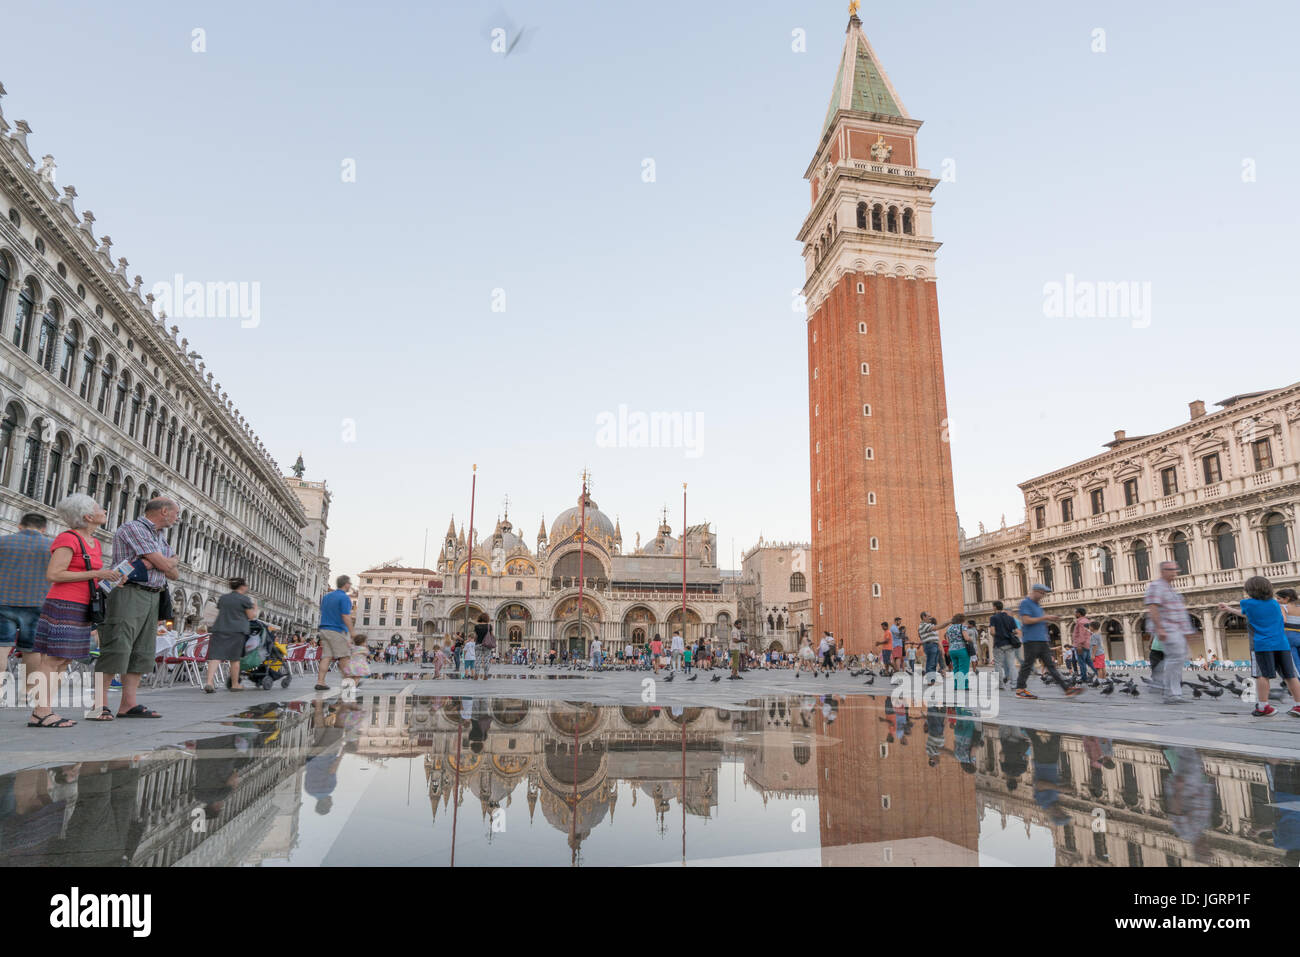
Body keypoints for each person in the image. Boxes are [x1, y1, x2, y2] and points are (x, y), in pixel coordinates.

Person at [26, 497, 122, 728]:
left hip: (82, 605)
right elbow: (54, 574)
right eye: (99, 507)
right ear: (88, 516)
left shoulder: (94, 542)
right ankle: (41, 712)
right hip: (63, 603)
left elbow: (91, 577)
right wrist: (96, 574)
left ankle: (44, 710)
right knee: (53, 659)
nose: (104, 509)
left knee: (63, 660)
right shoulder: (68, 538)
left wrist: (112, 579)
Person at [94, 497, 180, 720]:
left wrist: (161, 563)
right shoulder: (134, 528)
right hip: (128, 592)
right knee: (117, 646)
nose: (177, 518)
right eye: (175, 513)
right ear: (163, 511)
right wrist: (163, 562)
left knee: (142, 652)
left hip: (153, 595)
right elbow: (164, 564)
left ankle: (127, 705)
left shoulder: (160, 538)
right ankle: (98, 704)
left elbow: (174, 572)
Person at [1219, 578, 1300, 718]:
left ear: (1249, 590)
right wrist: (1229, 609)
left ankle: (1264, 707)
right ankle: (1298, 705)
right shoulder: (1275, 604)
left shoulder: (1246, 603)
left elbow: (1246, 612)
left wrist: (1227, 608)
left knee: (1262, 675)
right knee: (1290, 675)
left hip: (1261, 645)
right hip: (1282, 644)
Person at [0, 512, 54, 675]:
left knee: (2, 646)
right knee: (31, 650)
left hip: (4, 600)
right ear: (44, 529)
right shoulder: (52, 547)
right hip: (37, 603)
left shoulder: (3, 542)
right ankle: (27, 693)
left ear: (20, 526)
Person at [1014, 584, 1082, 699]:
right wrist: (1045, 618)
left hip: (1042, 640)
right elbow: (1026, 620)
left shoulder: (1037, 606)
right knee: (1027, 665)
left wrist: (1048, 619)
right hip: (1031, 640)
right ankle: (1020, 689)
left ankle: (1066, 689)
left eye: (1044, 593)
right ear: (1035, 591)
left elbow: (1038, 621)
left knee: (1051, 666)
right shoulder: (1025, 603)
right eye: (1041, 593)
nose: (1042, 596)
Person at [1145, 561, 1192, 704]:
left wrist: (1186, 631)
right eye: (1171, 570)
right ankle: (1167, 689)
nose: (1175, 572)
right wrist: (1159, 628)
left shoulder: (1170, 588)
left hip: (1177, 630)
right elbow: (1153, 607)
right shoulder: (1156, 586)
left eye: (1176, 570)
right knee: (1175, 659)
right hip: (1168, 628)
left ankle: (1170, 690)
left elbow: (1178, 611)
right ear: (1163, 571)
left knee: (1178, 659)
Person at [204, 578, 257, 693]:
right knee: (234, 659)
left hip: (220, 628)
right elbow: (251, 616)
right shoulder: (245, 599)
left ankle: (209, 682)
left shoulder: (223, 598)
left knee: (216, 657)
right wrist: (255, 608)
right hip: (236, 631)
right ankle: (235, 684)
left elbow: (221, 611)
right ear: (242, 586)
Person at [315, 575, 354, 691]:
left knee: (326, 656)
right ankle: (348, 683)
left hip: (324, 629)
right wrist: (352, 632)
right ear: (346, 584)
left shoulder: (327, 597)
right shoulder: (344, 598)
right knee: (344, 656)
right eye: (349, 583)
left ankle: (320, 682)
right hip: (336, 630)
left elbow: (322, 610)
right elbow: (345, 616)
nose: (350, 585)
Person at [945, 613, 972, 690]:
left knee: (956, 668)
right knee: (963, 668)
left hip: (952, 650)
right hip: (962, 649)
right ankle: (963, 686)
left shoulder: (949, 628)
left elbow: (948, 640)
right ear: (962, 620)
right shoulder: (962, 627)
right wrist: (971, 639)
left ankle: (956, 685)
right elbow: (966, 638)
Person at [1278, 588, 1300, 673]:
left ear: (1286, 599)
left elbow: (1284, 620)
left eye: (1279, 598)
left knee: (1295, 663)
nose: (1277, 600)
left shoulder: (1283, 607)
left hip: (1289, 637)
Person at [1071, 608, 1094, 682]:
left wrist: (1079, 645)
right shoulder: (1087, 621)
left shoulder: (1081, 622)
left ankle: (1084, 678)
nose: (1075, 614)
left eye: (1075, 612)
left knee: (1082, 663)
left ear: (1079, 614)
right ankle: (1100, 674)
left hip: (1082, 646)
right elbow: (1090, 633)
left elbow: (1082, 634)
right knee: (1089, 662)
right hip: (1087, 645)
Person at [918, 613, 941, 681]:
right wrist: (948, 622)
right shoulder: (923, 625)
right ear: (924, 617)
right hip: (930, 645)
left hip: (934, 645)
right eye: (929, 616)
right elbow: (937, 627)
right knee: (931, 663)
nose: (930, 618)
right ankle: (930, 680)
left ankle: (932, 679)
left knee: (934, 663)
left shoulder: (929, 625)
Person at [474, 612, 494, 679]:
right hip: (487, 645)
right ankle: (485, 675)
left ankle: (476, 674)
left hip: (478, 644)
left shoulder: (476, 626)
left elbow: (475, 636)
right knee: (486, 660)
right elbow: (491, 635)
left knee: (478, 660)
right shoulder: (489, 626)